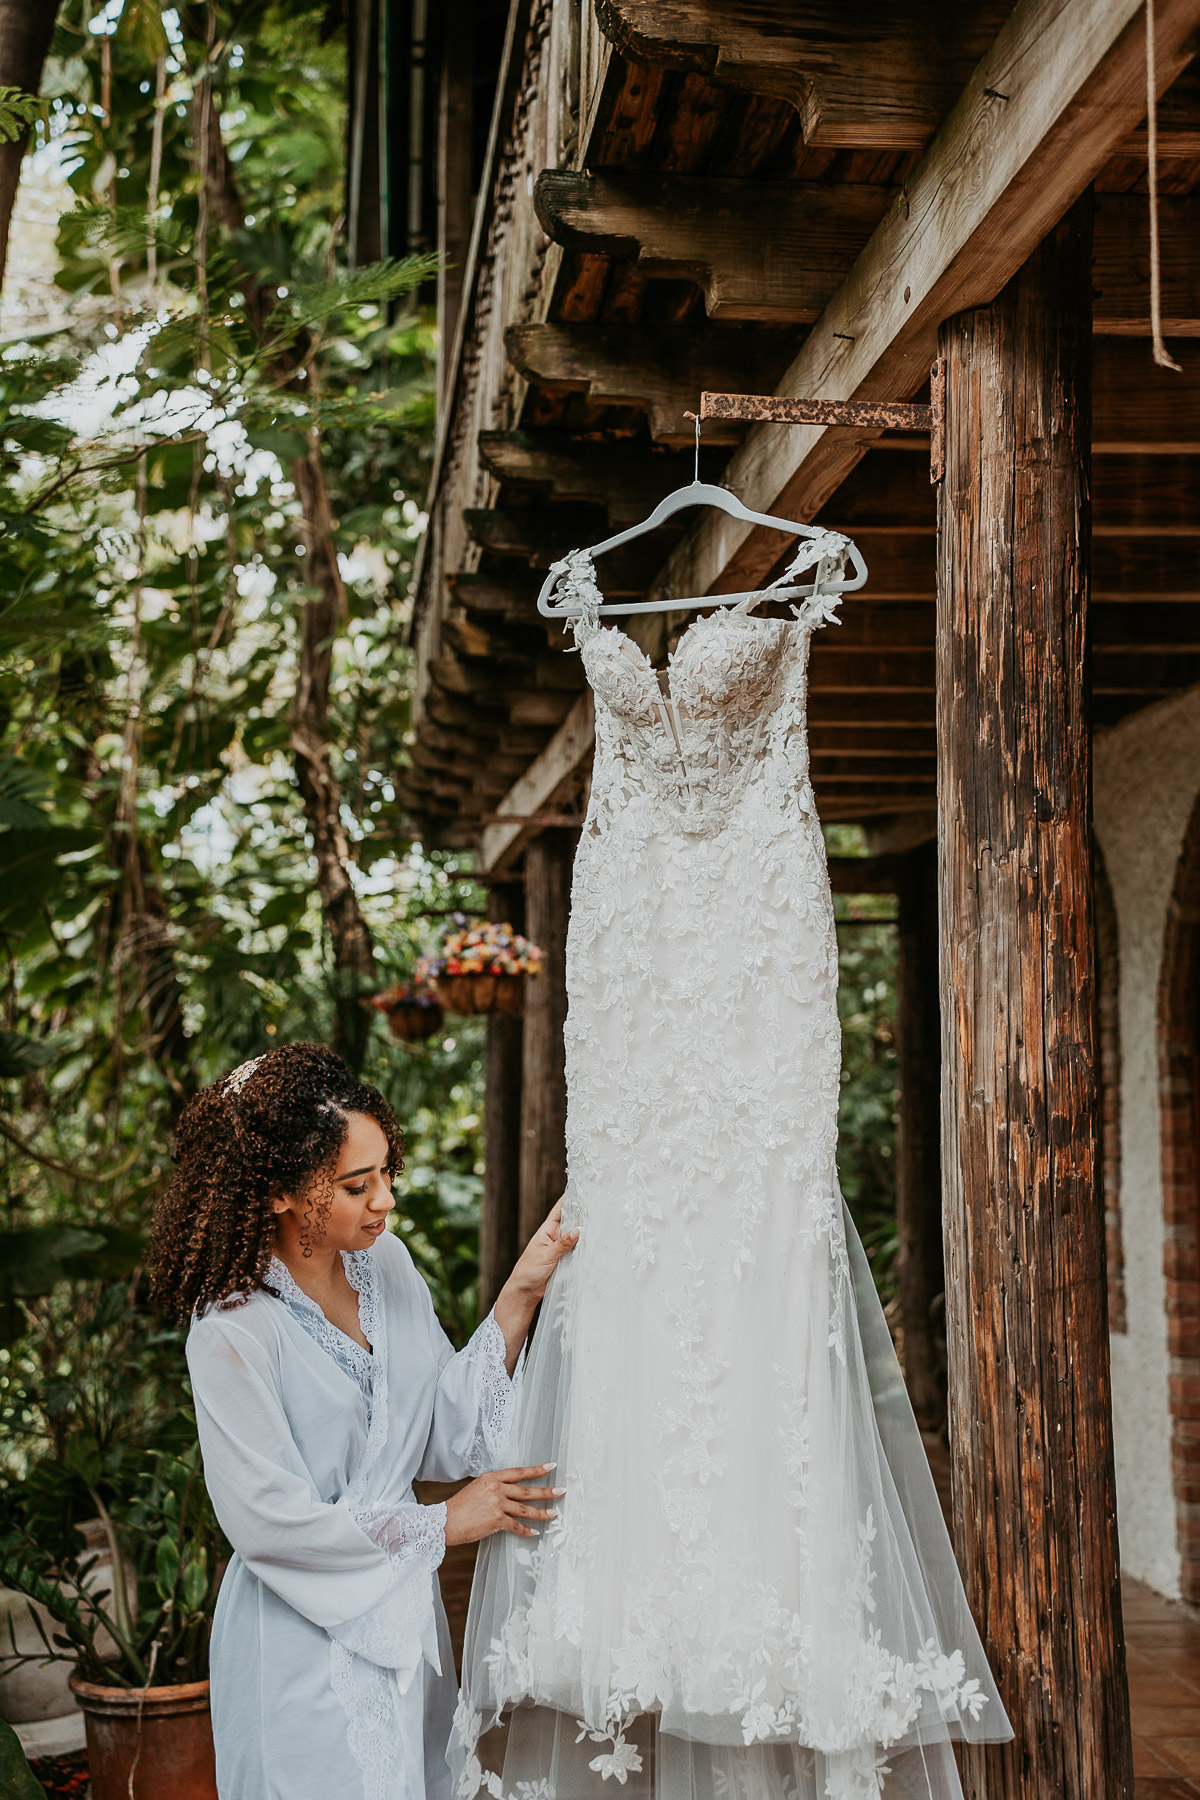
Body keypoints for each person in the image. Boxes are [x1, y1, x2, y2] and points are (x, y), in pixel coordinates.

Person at [151, 1040, 575, 1800]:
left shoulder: (389, 1267)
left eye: (386, 1174)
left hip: (400, 1623)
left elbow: (441, 1429)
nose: (384, 1200)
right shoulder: (234, 1328)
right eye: (355, 1185)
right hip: (300, 1642)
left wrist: (522, 1289)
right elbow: (268, 1523)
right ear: (279, 1191)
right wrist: (443, 1526)